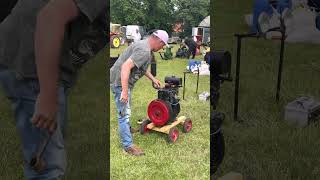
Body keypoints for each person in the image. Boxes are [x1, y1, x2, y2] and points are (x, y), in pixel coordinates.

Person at [0, 0, 107, 179]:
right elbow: (50, 17)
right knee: (47, 168)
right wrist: (47, 94)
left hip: (41, 55)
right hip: (29, 55)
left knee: (50, 142)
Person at [110, 30, 169, 156]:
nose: (162, 48)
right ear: (158, 41)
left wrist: (153, 79)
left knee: (126, 109)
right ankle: (128, 146)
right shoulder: (144, 50)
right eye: (163, 45)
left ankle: (127, 129)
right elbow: (126, 67)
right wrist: (124, 91)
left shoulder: (144, 46)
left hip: (121, 80)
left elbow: (141, 67)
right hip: (119, 82)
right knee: (123, 114)